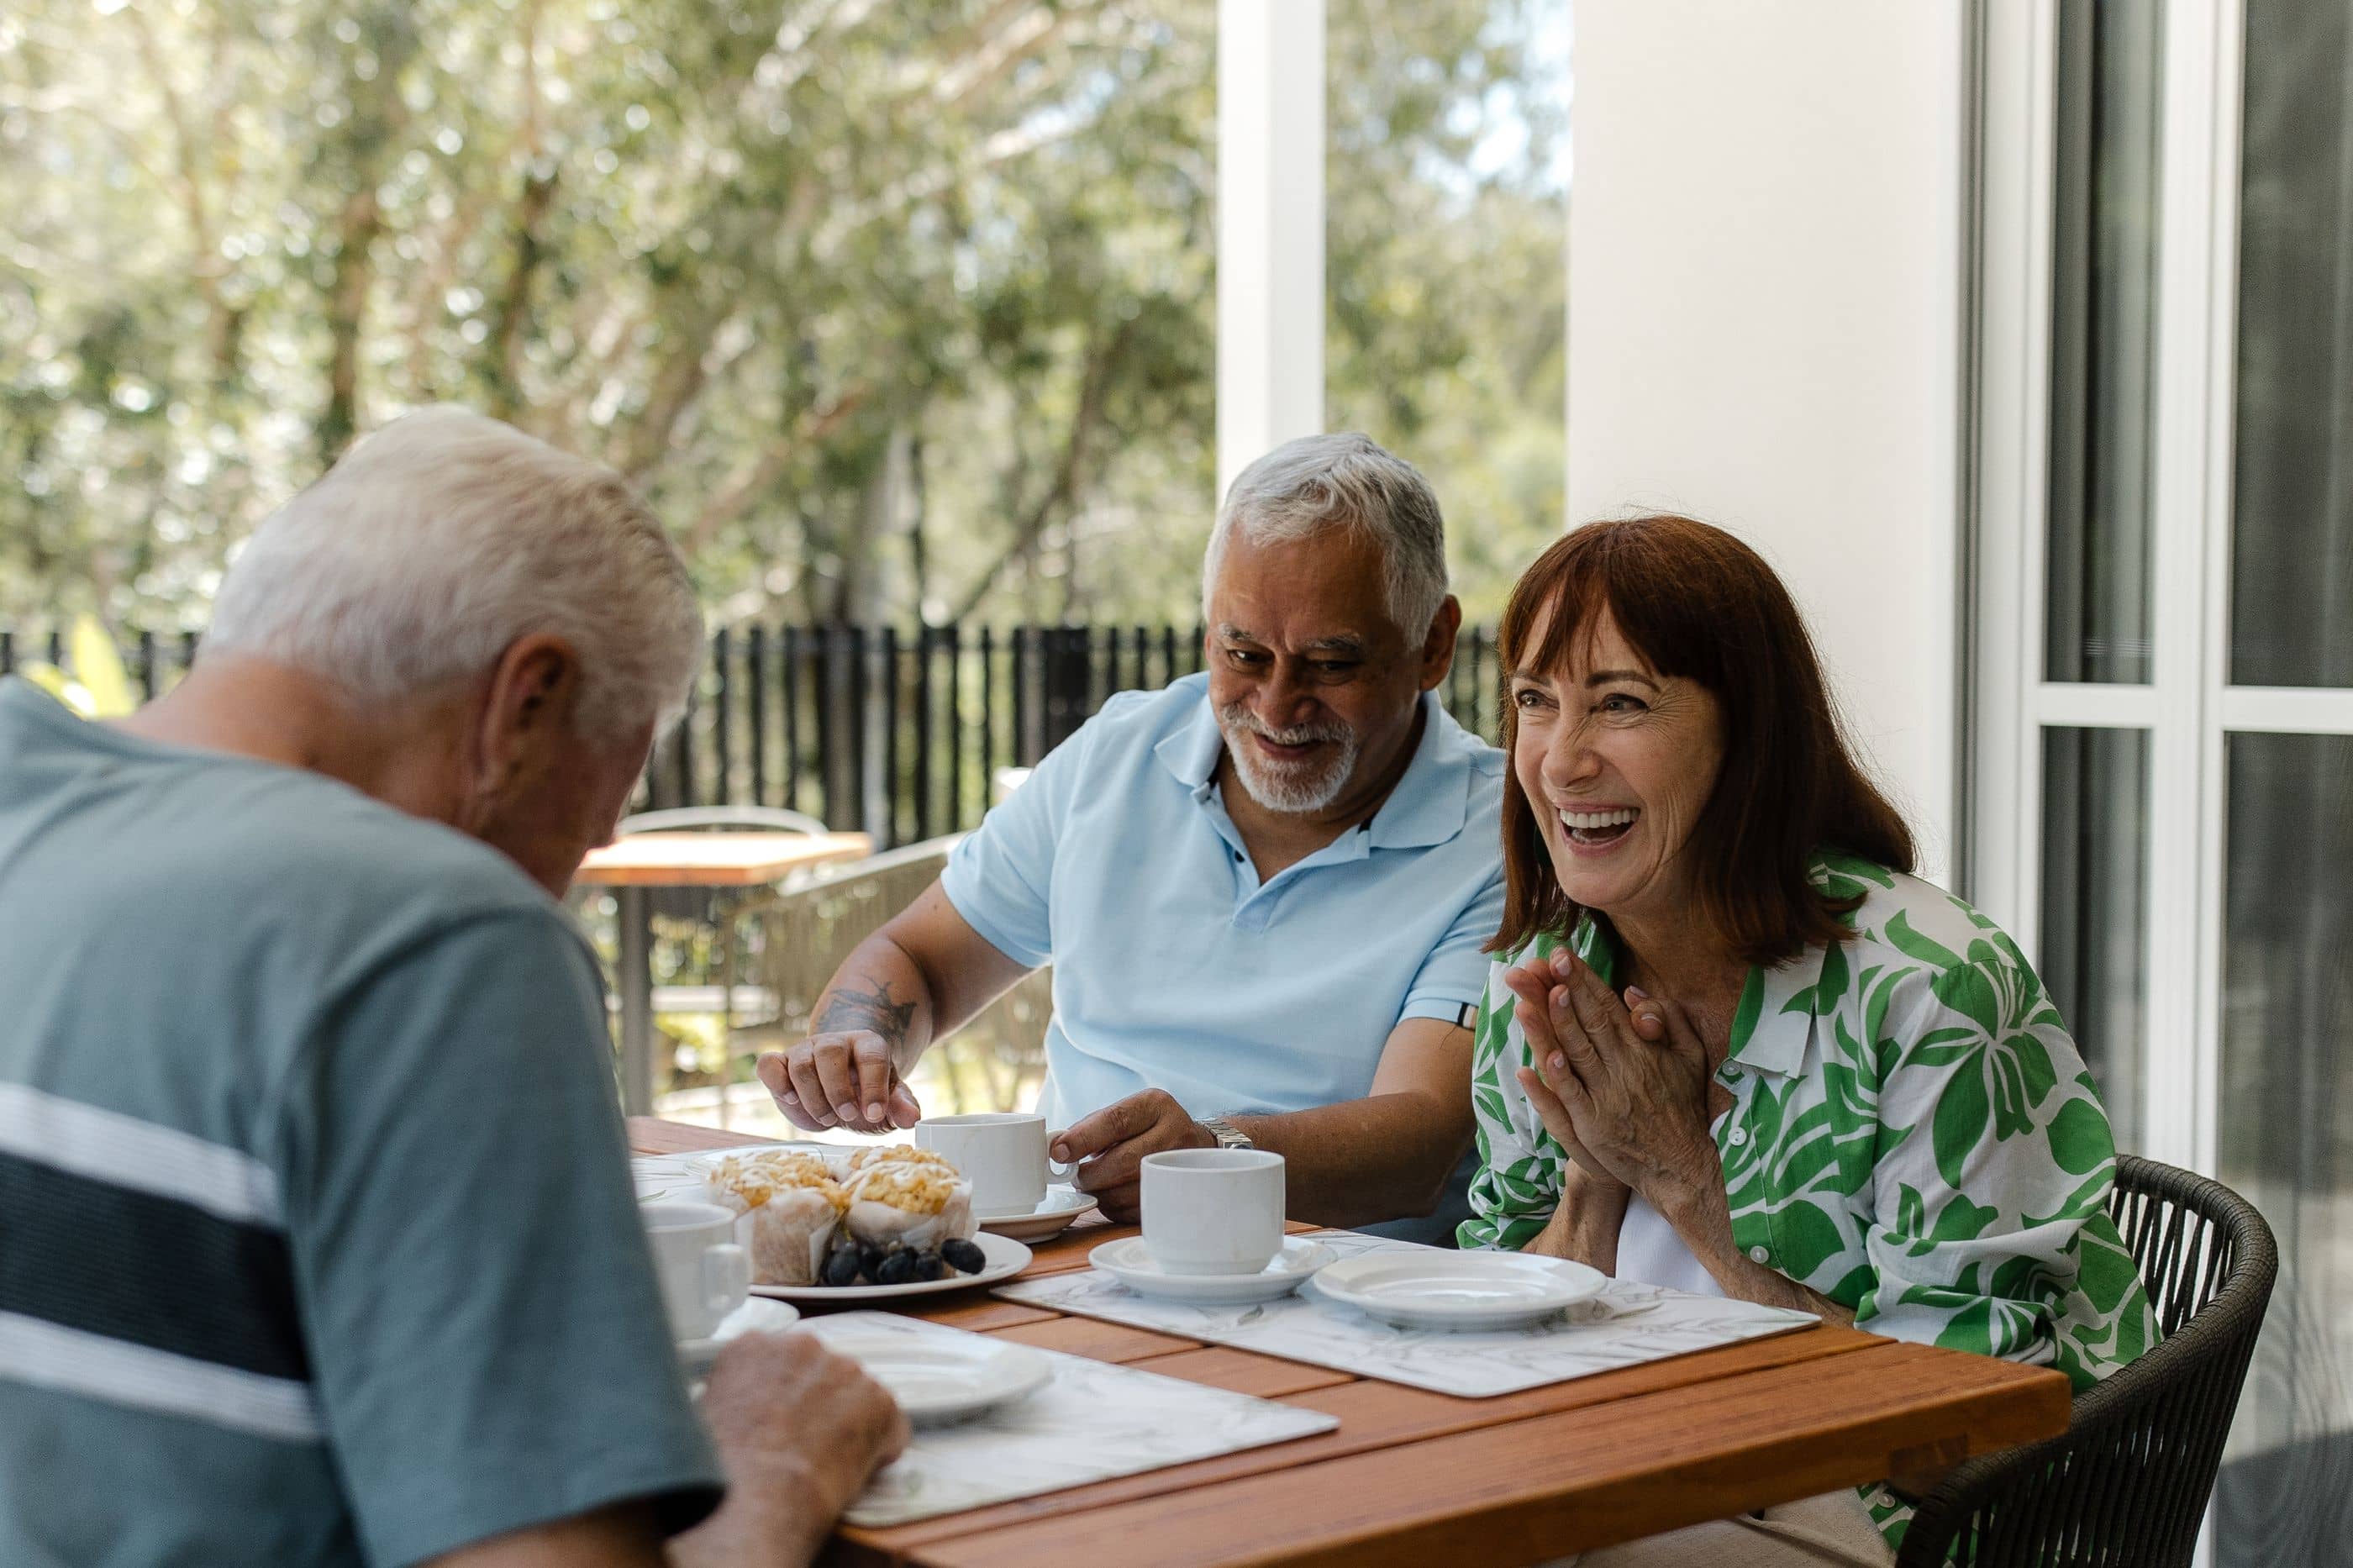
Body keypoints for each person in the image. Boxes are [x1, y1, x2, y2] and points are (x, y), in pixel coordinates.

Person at [0, 408, 905, 1568]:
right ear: (524, 704)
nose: (600, 839)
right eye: (610, 785)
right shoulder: (435, 940)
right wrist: (776, 1466)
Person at [1464, 515, 2156, 1565]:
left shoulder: (1932, 990)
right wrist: (1591, 1184)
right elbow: (1481, 1342)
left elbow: (1952, 1441)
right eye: (1533, 702)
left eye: (1620, 703)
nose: (1562, 761)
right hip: (1606, 1468)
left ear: (1749, 735)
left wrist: (1691, 1192)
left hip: (1901, 1525)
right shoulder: (1551, 971)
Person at [757, 434, 1506, 1240]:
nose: (1277, 704)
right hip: (1065, 1270)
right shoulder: (1117, 754)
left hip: (1339, 1303)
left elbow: (1422, 1137)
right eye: (1243, 652)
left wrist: (1209, 1157)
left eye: (1330, 664)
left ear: (1433, 644)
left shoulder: (1501, 834)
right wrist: (853, 1040)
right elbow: (921, 960)